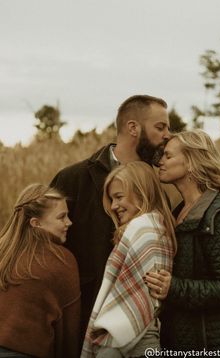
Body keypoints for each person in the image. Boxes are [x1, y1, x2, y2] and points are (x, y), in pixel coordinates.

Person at [50, 94, 170, 351]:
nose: (167, 135)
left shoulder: (157, 185)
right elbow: (45, 247)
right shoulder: (74, 179)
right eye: (160, 127)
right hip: (85, 319)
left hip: (144, 328)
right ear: (133, 128)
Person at [144, 129, 220, 350]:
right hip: (182, 340)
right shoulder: (178, 214)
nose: (160, 163)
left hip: (214, 345)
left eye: (168, 156)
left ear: (192, 163)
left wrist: (173, 288)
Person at [81, 161, 176, 358]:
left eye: (118, 197)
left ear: (140, 193)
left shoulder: (141, 227)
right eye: (111, 199)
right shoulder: (160, 226)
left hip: (125, 338)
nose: (114, 206)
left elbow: (123, 295)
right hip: (147, 334)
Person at [0, 184, 81, 358]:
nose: (69, 222)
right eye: (62, 217)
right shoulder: (61, 259)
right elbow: (69, 331)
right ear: (36, 223)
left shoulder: (4, 253)